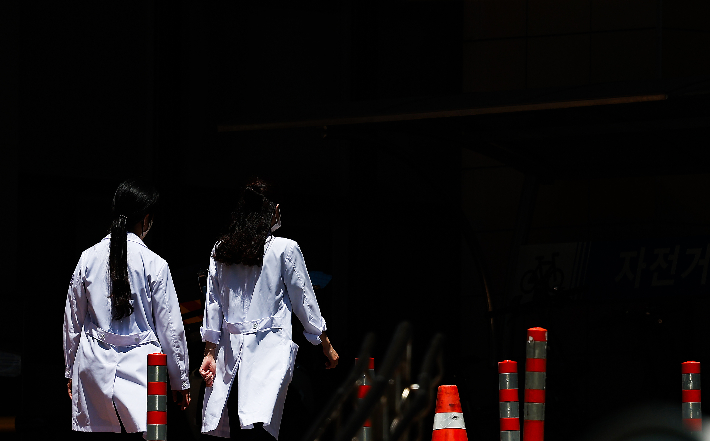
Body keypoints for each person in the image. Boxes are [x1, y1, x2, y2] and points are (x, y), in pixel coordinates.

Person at [199, 180, 339, 440]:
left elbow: (213, 304)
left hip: (230, 355)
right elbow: (304, 300)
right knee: (269, 427)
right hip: (270, 353)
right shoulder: (284, 248)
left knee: (238, 428)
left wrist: (209, 351)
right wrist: (325, 343)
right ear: (274, 211)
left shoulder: (221, 250)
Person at [63, 179, 191, 438]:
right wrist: (180, 381)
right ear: (146, 219)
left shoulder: (88, 258)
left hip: (93, 363)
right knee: (155, 435)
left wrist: (69, 369)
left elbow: (72, 320)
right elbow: (171, 329)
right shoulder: (156, 264)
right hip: (150, 366)